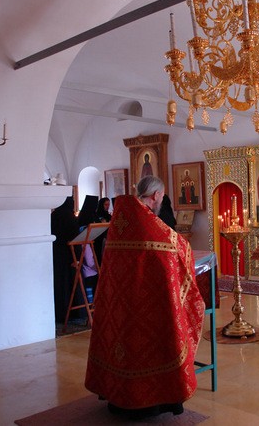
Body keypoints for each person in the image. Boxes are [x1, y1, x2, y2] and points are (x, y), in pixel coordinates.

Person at [85, 175, 204, 419]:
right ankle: (150, 403)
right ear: (156, 195)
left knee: (123, 347)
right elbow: (179, 248)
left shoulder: (122, 221)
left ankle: (118, 396)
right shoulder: (149, 224)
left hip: (120, 306)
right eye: (162, 195)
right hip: (148, 306)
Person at [51, 197, 79, 323]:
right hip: (69, 255)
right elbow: (75, 238)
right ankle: (70, 313)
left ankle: (59, 313)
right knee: (68, 284)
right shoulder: (70, 217)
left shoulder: (54, 215)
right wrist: (76, 257)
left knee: (59, 284)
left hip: (56, 255)